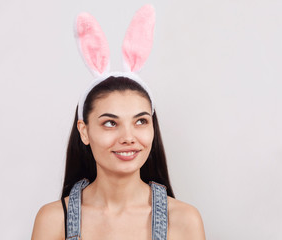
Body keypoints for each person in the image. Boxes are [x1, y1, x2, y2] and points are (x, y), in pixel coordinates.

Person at [31, 5, 205, 240]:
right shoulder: (53, 220)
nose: (128, 137)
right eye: (110, 123)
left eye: (141, 121)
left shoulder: (184, 220)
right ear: (84, 131)